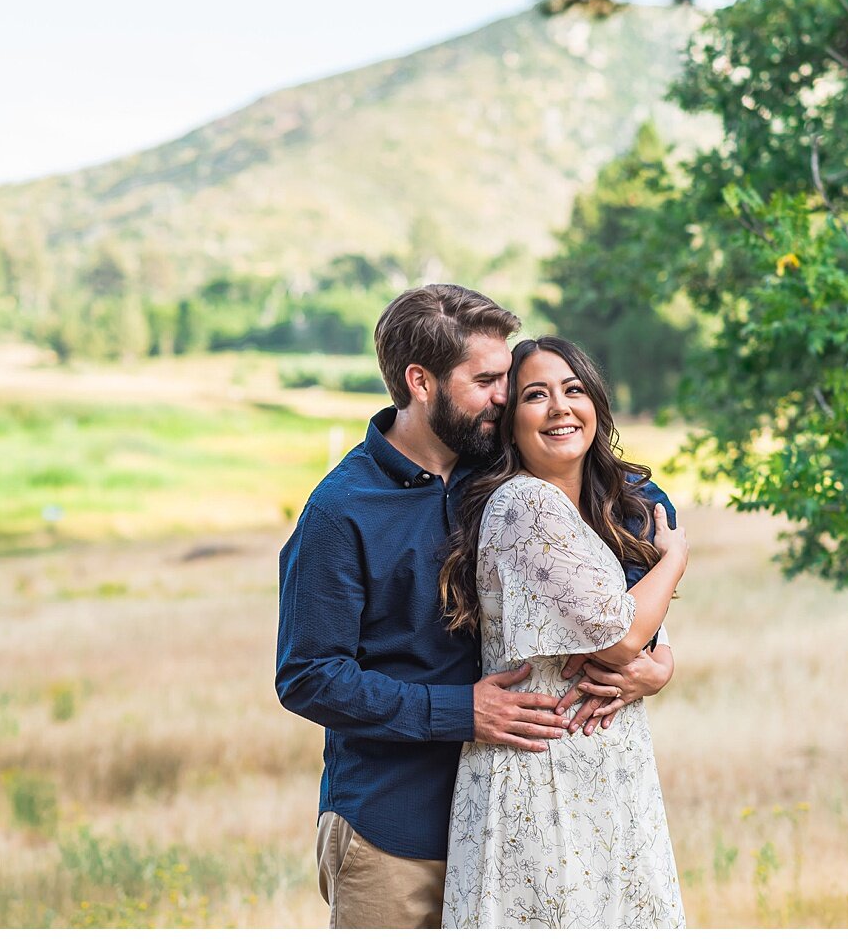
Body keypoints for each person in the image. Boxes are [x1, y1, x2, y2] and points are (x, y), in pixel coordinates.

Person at [276, 285, 676, 929]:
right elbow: (308, 676)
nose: (503, 395)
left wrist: (652, 657)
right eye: (487, 379)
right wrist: (461, 711)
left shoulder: (496, 467)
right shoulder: (340, 512)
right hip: (399, 830)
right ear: (420, 382)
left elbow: (631, 500)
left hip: (524, 822)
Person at [439, 335, 687, 928]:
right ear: (511, 425)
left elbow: (647, 636)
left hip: (610, 773)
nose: (559, 407)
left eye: (573, 390)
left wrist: (662, 668)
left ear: (596, 405)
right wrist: (675, 557)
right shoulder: (525, 504)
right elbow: (622, 636)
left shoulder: (608, 513)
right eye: (535, 395)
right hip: (541, 779)